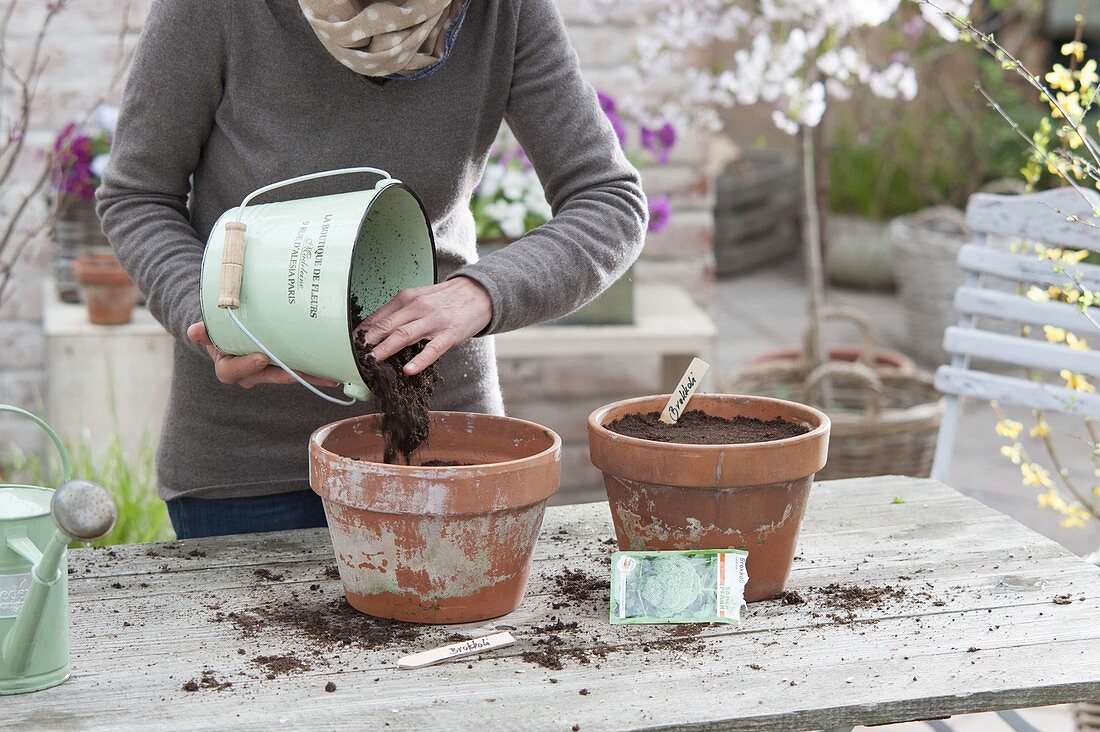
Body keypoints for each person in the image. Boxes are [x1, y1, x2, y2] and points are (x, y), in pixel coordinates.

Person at [97, 0, 648, 539]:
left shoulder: (502, 11)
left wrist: (478, 294)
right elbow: (138, 195)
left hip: (439, 434)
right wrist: (211, 320)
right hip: (250, 466)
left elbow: (608, 200)